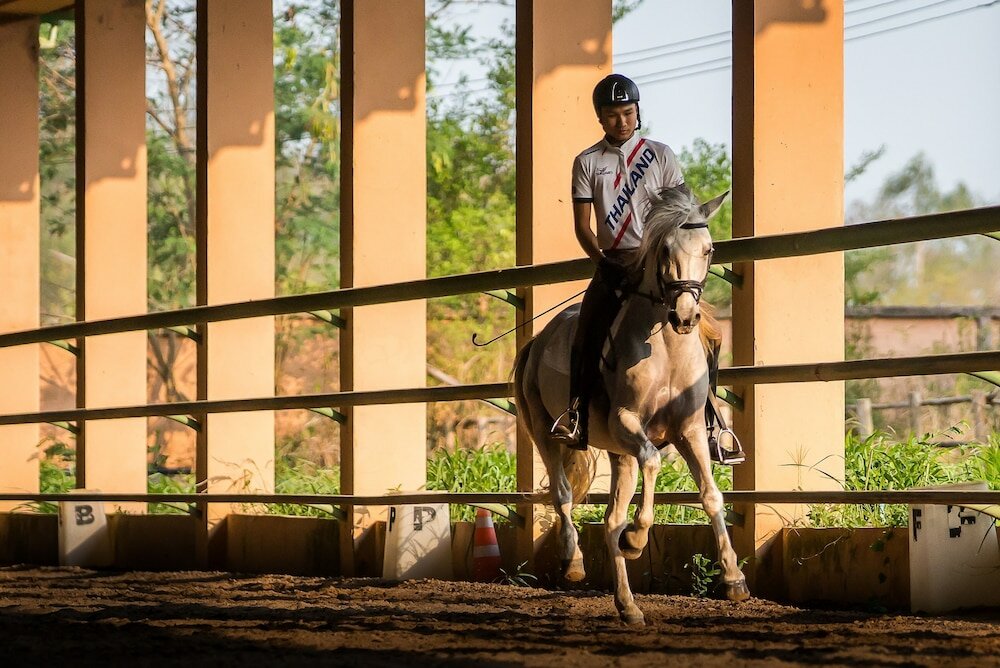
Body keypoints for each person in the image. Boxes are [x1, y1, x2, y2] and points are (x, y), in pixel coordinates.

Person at [550, 73, 724, 456]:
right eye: (612, 115)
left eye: (627, 113)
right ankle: (577, 414)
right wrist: (602, 262)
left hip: (660, 262)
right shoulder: (587, 162)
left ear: (638, 111)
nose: (621, 121)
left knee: (711, 334)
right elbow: (582, 226)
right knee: (587, 330)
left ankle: (712, 421)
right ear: (600, 118)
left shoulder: (660, 154)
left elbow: (680, 211)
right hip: (613, 261)